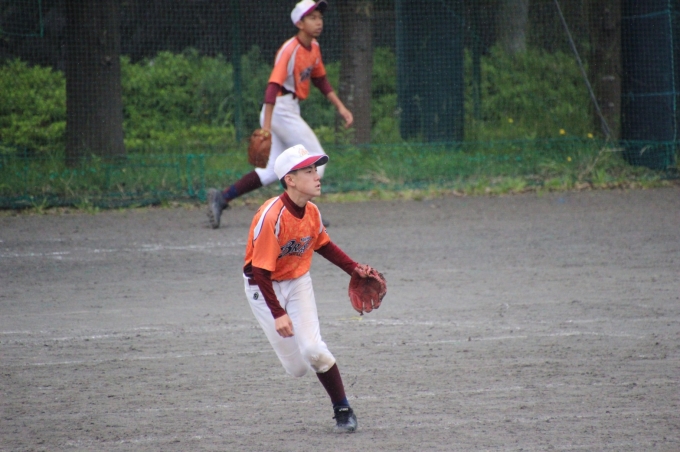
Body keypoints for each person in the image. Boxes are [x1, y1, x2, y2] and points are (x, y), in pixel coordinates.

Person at [243, 144, 365, 432]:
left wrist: (354, 269)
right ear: (290, 179)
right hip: (263, 288)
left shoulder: (312, 212)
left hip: (297, 281)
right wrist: (278, 313)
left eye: (315, 169)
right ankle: (304, 356)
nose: (316, 176)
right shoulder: (272, 216)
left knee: (313, 349)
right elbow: (260, 271)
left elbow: (323, 245)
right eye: (308, 171)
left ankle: (343, 409)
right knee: (297, 368)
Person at [207, 0, 353, 229]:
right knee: (317, 157)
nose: (318, 22)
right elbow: (272, 87)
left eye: (320, 17)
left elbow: (320, 80)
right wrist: (266, 127)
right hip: (279, 109)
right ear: (299, 23)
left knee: (270, 170)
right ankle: (300, 212)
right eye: (312, 18)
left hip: (288, 109)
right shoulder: (289, 49)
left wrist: (341, 107)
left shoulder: (313, 48)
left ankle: (222, 197)